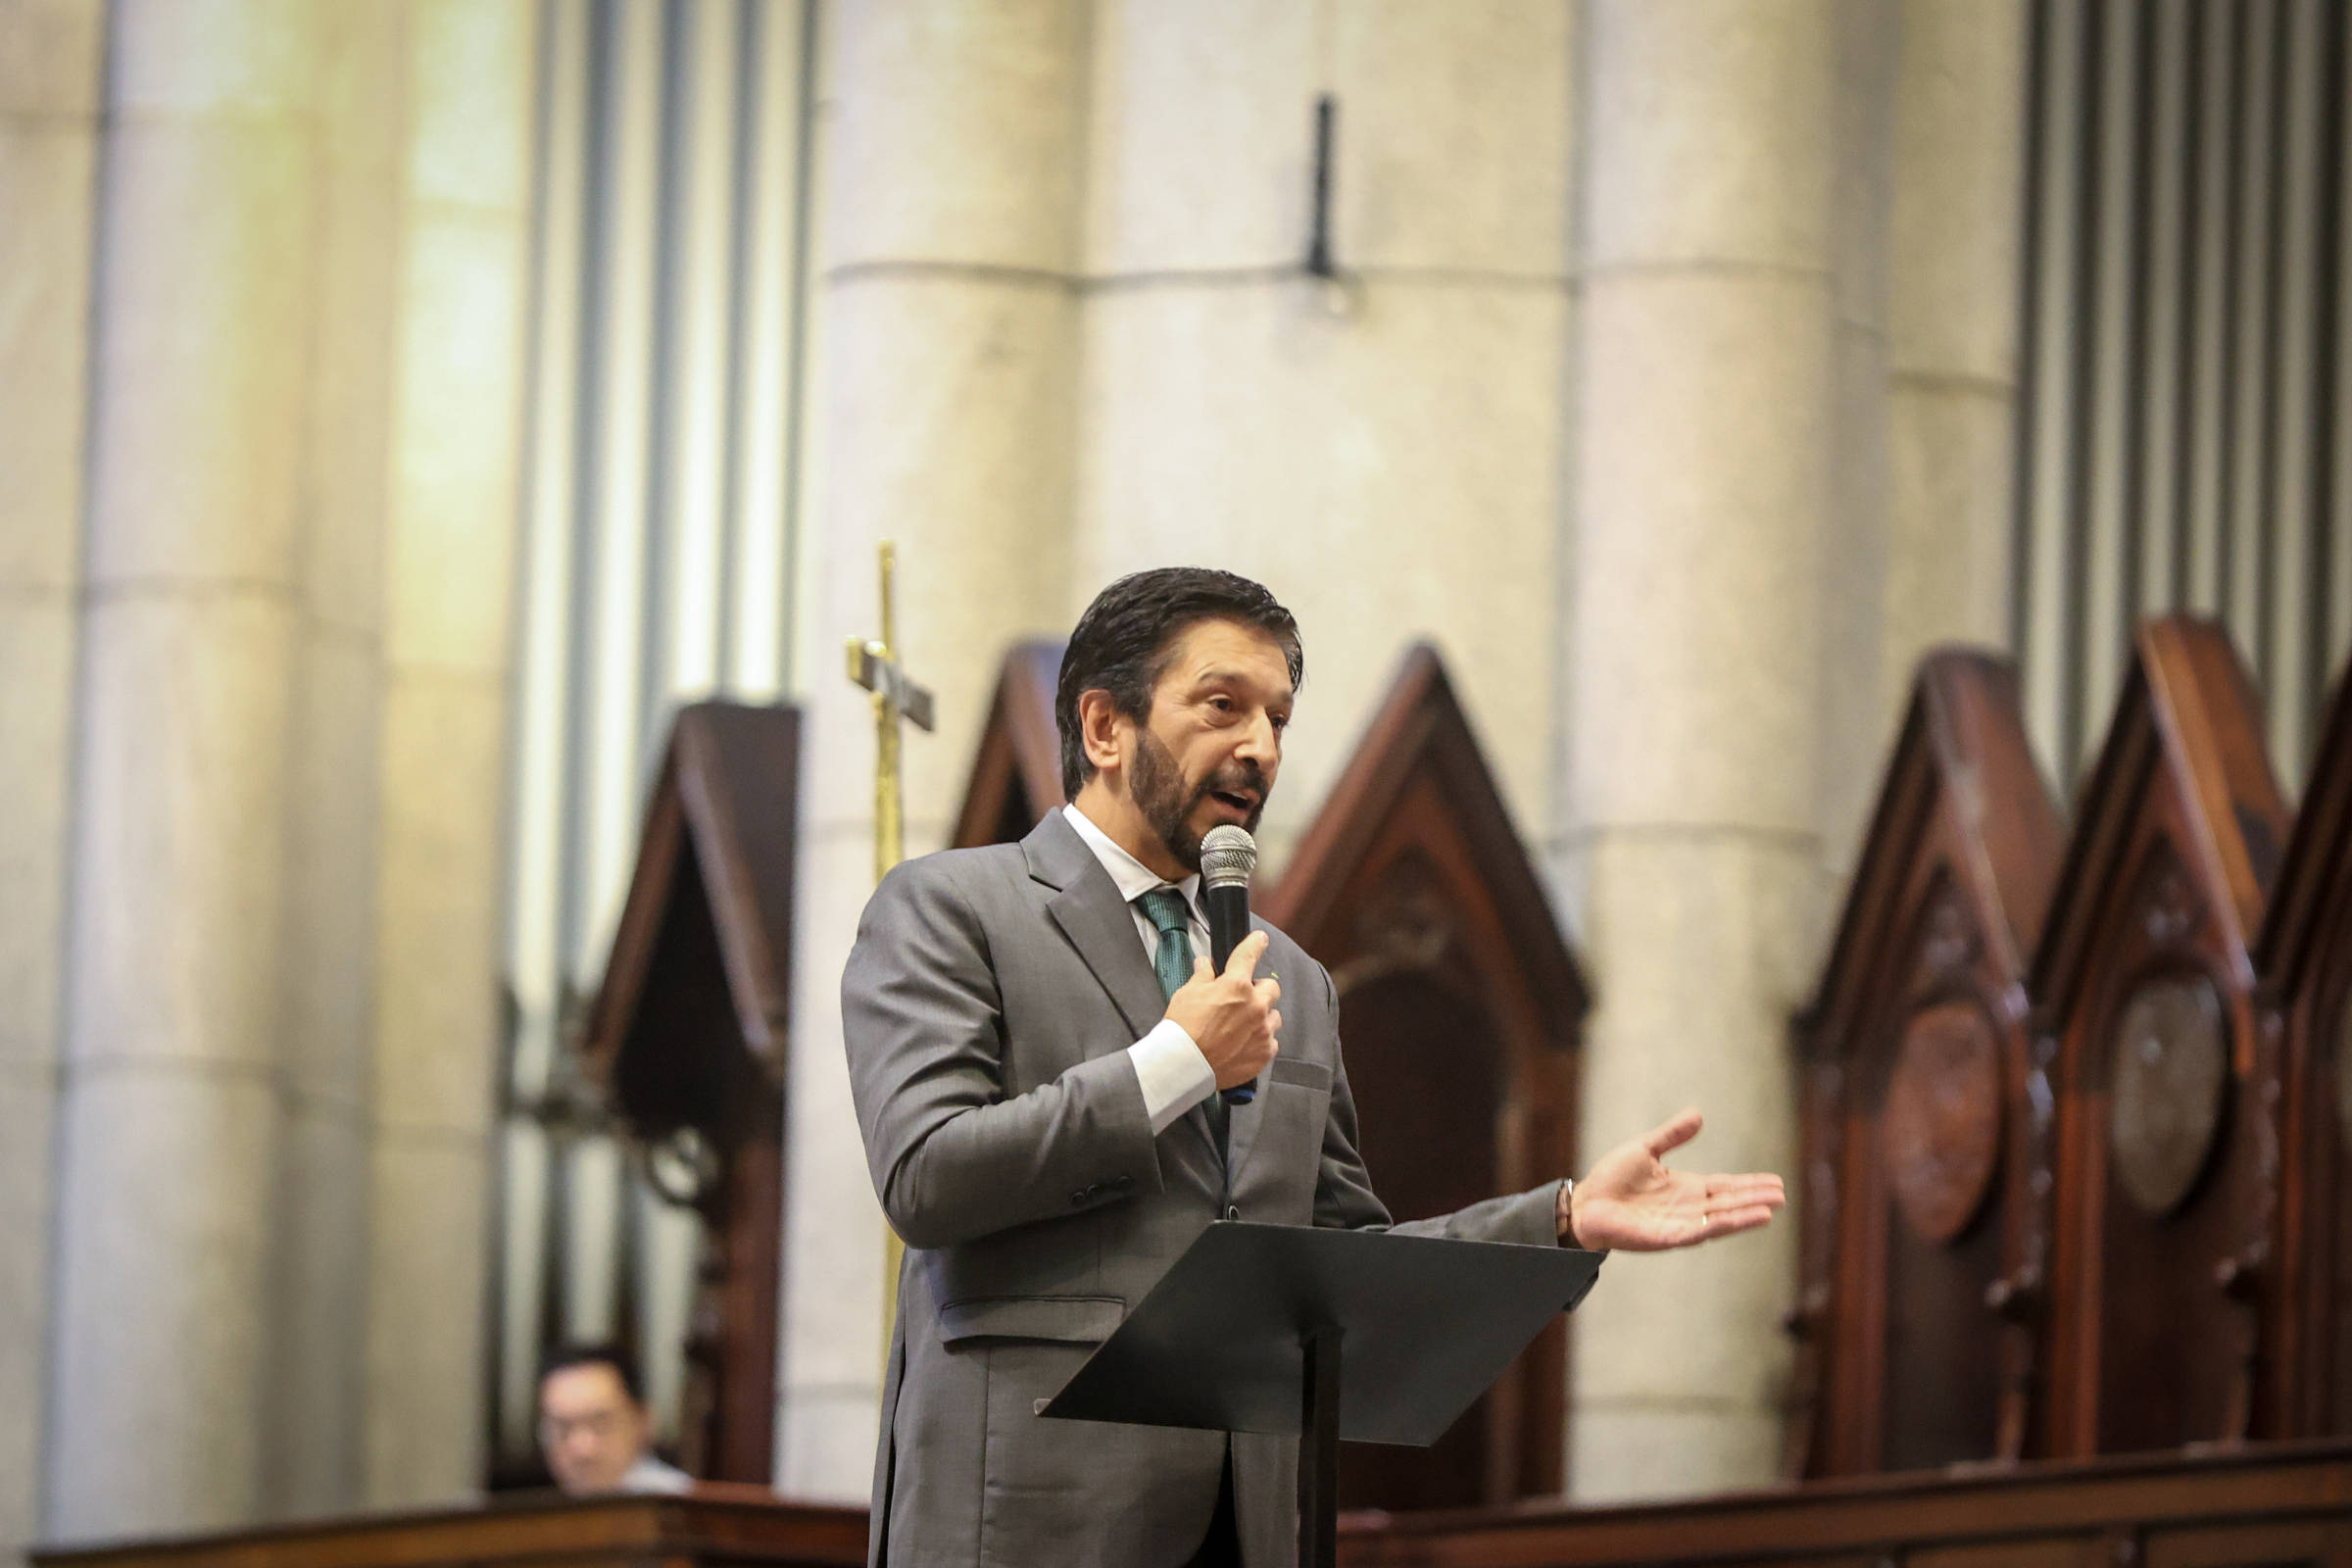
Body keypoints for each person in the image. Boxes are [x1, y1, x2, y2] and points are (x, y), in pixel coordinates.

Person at [843, 567, 1786, 1568]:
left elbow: (1341, 1257)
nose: (1261, 747)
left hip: (1249, 1519)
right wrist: (1176, 1062)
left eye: (1279, 719)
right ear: (1106, 726)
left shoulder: (1290, 975)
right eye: (1223, 706)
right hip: (1030, 1513)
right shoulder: (952, 907)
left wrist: (1559, 1219)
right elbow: (927, 1178)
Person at [535, 1342, 693, 1497]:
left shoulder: (684, 1504)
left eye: (600, 1425)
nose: (582, 1449)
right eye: (563, 1429)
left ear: (644, 1422)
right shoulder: (541, 1508)